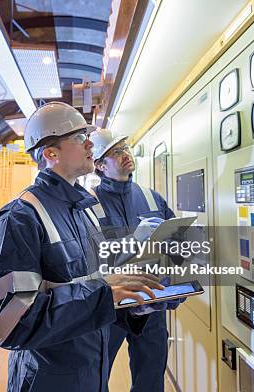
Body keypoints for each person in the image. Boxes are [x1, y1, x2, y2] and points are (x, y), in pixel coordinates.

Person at [0, 102, 165, 392]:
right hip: (48, 379)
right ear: (50, 154)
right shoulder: (19, 218)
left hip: (93, 372)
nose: (91, 143)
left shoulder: (85, 211)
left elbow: (99, 288)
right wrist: (106, 296)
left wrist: (133, 306)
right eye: (80, 137)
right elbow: (9, 324)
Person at [90, 128, 180, 392]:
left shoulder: (153, 198)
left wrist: (177, 286)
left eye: (125, 149)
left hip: (152, 303)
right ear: (99, 165)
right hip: (111, 308)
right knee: (96, 376)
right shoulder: (89, 204)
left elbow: (178, 245)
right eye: (115, 152)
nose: (125, 155)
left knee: (151, 377)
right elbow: (87, 259)